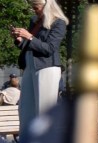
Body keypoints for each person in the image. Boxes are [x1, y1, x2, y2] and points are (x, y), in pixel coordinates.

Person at [11, 0, 67, 131]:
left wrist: (29, 37)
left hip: (46, 67)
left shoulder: (59, 22)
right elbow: (31, 45)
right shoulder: (35, 21)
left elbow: (49, 48)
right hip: (30, 65)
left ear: (46, 6)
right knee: (25, 109)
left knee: (43, 110)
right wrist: (20, 40)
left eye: (36, 7)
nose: (34, 10)